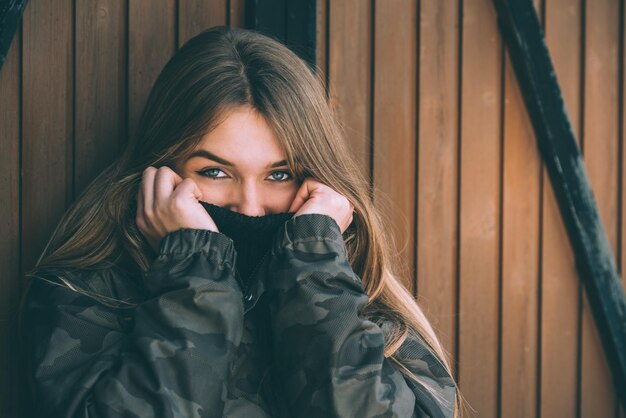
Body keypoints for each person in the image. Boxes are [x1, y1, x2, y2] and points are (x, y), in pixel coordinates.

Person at [19, 26, 463, 417]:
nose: (250, 206)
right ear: (160, 175)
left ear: (318, 181)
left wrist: (314, 272)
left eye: (279, 175)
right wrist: (194, 279)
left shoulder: (361, 299)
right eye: (215, 172)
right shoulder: (86, 296)